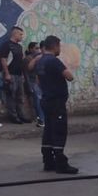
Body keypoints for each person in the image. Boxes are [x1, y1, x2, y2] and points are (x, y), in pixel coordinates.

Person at [36, 35, 78, 174]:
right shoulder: (54, 61)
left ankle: (48, 161)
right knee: (59, 131)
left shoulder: (40, 61)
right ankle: (61, 163)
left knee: (48, 131)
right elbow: (70, 76)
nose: (60, 49)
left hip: (46, 100)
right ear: (54, 46)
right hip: (56, 102)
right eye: (59, 46)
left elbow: (37, 80)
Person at [0, 26, 29, 124]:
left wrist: (22, 76)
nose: (22, 36)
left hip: (19, 75)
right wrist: (7, 74)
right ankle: (14, 116)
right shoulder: (6, 45)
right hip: (11, 74)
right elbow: (3, 60)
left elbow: (21, 61)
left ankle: (21, 115)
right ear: (15, 34)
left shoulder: (20, 47)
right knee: (11, 96)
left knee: (20, 97)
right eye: (20, 34)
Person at [24, 41, 45, 127]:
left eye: (39, 48)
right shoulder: (28, 59)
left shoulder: (39, 57)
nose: (38, 50)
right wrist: (29, 86)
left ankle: (41, 118)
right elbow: (26, 73)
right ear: (31, 49)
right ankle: (40, 118)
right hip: (33, 82)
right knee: (37, 101)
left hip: (38, 82)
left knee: (40, 101)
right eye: (36, 48)